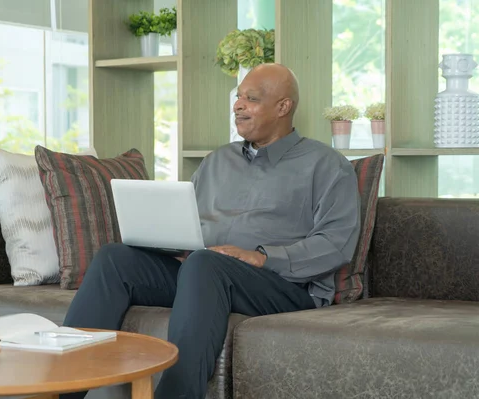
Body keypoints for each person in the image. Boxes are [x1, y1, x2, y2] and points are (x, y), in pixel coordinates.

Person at [62, 63, 361, 399]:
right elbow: (190, 222)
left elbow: (336, 244)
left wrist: (263, 258)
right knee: (115, 259)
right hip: (203, 273)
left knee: (205, 265)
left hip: (283, 285)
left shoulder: (327, 165)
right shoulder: (218, 161)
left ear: (283, 107)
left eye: (251, 98)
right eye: (238, 97)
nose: (238, 105)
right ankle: (61, 391)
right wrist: (163, 238)